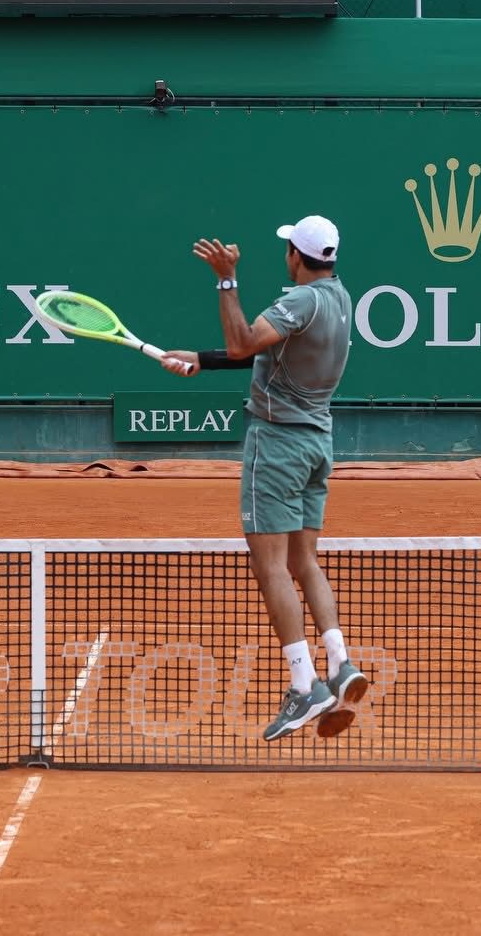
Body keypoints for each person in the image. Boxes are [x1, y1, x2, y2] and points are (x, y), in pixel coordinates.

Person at [161, 215, 369, 742]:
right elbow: (258, 351)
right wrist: (201, 361)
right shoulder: (339, 298)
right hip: (317, 445)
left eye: (287, 251)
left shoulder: (299, 301)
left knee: (270, 566)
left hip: (276, 447)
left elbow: (242, 344)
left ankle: (305, 686)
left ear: (296, 257)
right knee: (303, 560)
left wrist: (226, 279)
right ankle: (341, 663)